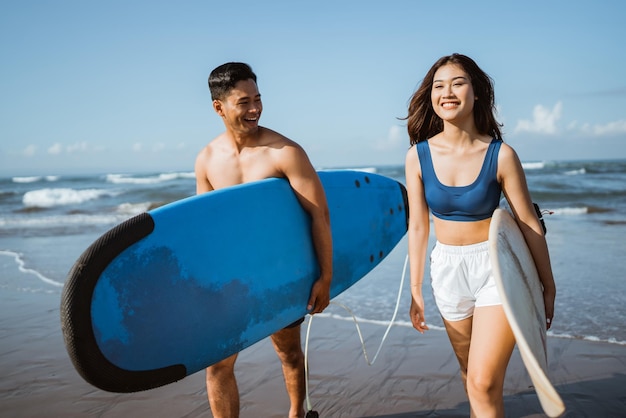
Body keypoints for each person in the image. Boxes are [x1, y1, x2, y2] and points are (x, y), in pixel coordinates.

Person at [403, 53, 556, 417]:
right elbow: (419, 225)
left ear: (476, 93)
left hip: (495, 268)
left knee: (483, 383)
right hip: (447, 270)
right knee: (470, 375)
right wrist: (415, 287)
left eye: (458, 83)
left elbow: (527, 223)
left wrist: (546, 286)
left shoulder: (501, 155)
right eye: (439, 86)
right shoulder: (417, 157)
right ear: (431, 97)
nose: (447, 92)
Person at [195, 62, 333, 418]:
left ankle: (297, 413)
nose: (254, 108)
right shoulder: (207, 160)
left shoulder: (284, 152)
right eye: (244, 102)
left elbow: (319, 214)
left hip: (280, 274)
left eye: (258, 99)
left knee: (287, 352)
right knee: (217, 364)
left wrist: (325, 276)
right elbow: (203, 229)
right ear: (219, 107)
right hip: (231, 279)